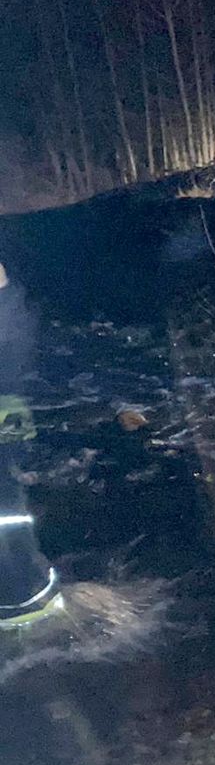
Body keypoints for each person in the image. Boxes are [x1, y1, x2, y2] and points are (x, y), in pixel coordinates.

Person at [0, 264, 58, 629]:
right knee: (11, 487)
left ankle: (22, 594)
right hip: (12, 402)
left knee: (9, 491)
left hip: (8, 402)